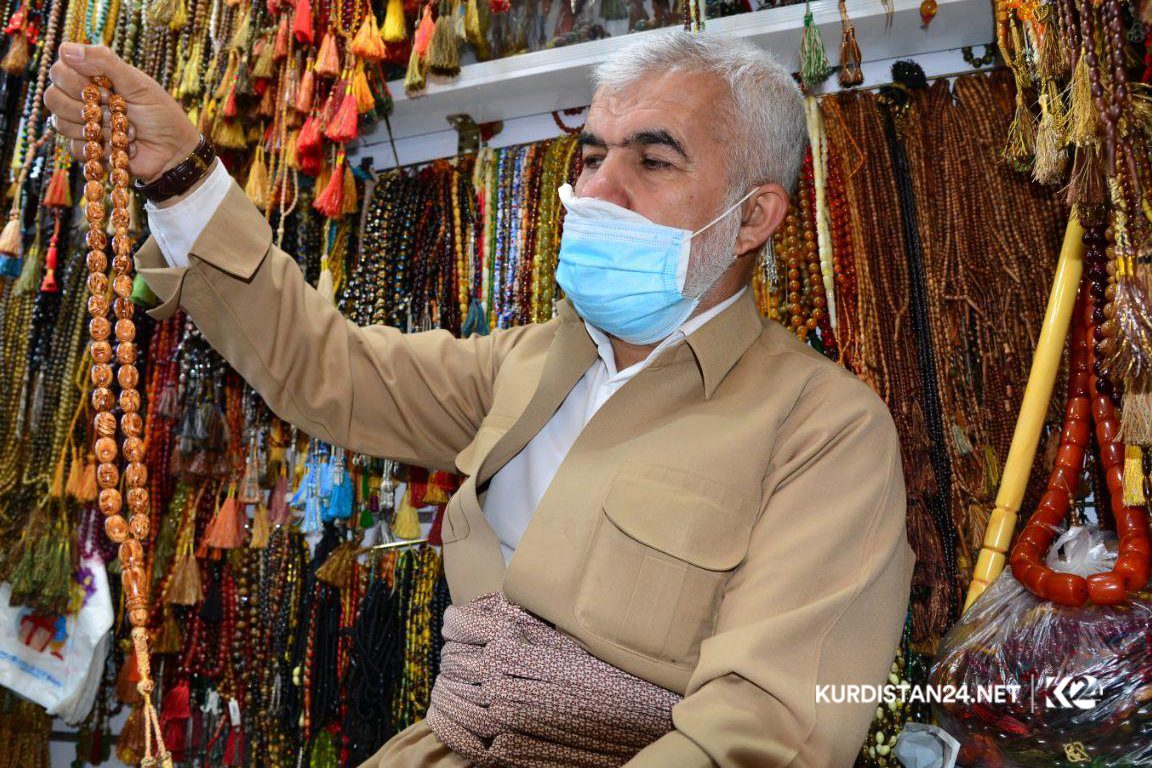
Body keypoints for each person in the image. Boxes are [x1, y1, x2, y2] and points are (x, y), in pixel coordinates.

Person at [45, 29, 916, 767]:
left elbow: (765, 732)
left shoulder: (823, 430)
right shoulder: (528, 365)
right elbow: (324, 369)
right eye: (592, 155)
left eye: (653, 160)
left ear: (754, 218)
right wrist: (182, 177)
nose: (596, 190)